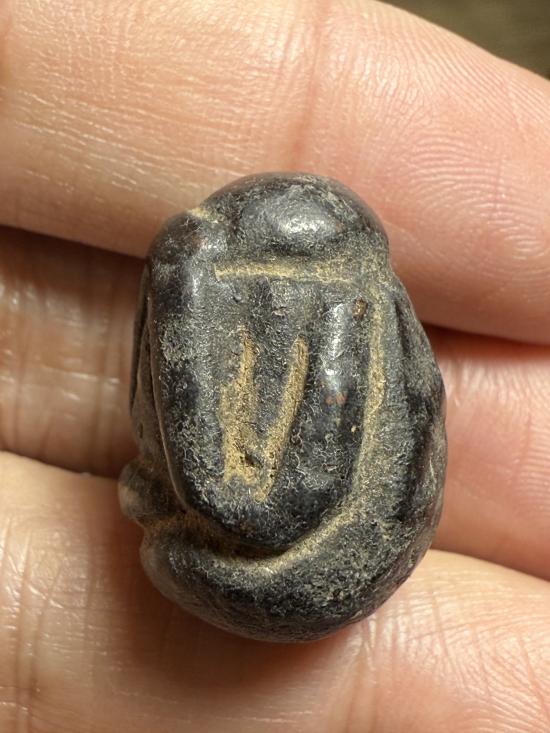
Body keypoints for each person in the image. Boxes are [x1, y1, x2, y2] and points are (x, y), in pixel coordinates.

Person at [1, 1, 549, 730]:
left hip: (288, 546)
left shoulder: (336, 314)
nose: (263, 305)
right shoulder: (229, 282)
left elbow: (257, 497)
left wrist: (185, 283)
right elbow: (202, 460)